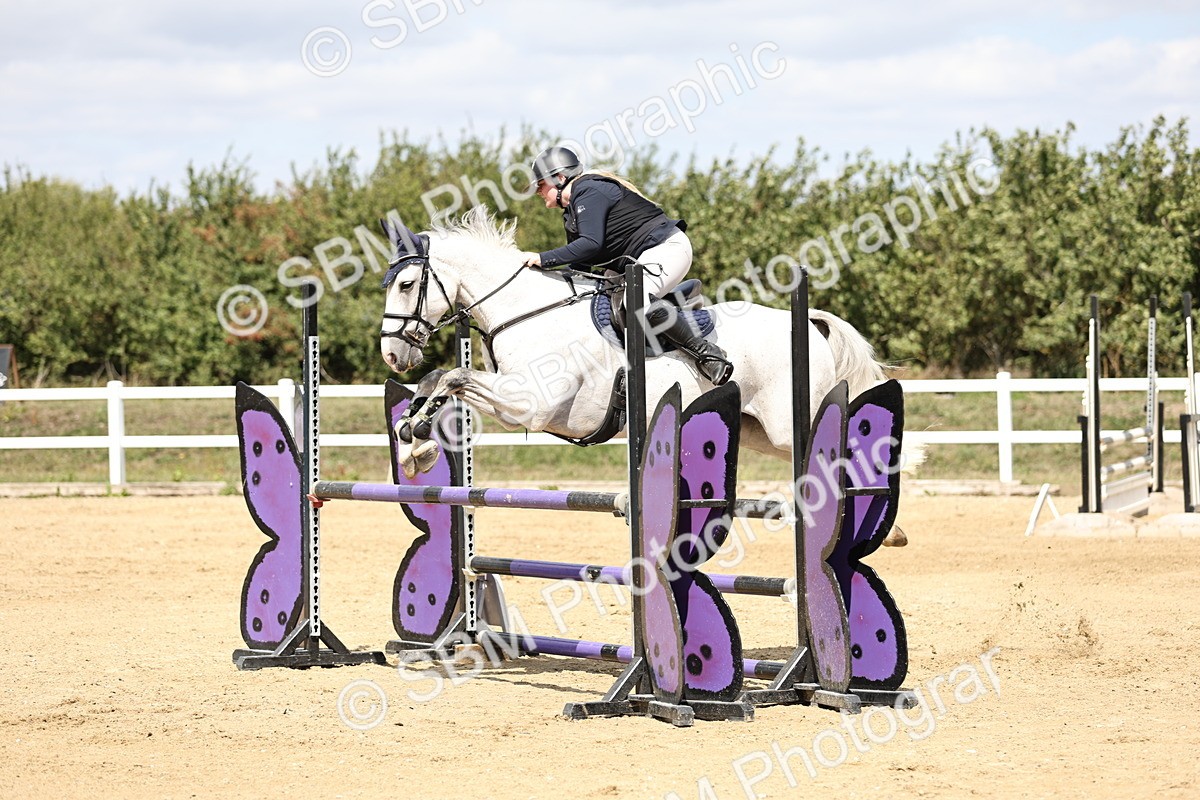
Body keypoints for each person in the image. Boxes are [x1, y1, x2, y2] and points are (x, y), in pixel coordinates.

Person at [521, 145, 733, 385]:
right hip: (638, 261)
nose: (538, 191)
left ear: (560, 178)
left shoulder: (589, 190)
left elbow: (590, 244)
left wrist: (543, 258)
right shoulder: (571, 214)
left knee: (636, 300)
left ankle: (708, 354)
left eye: (541, 184)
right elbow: (581, 265)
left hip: (667, 248)